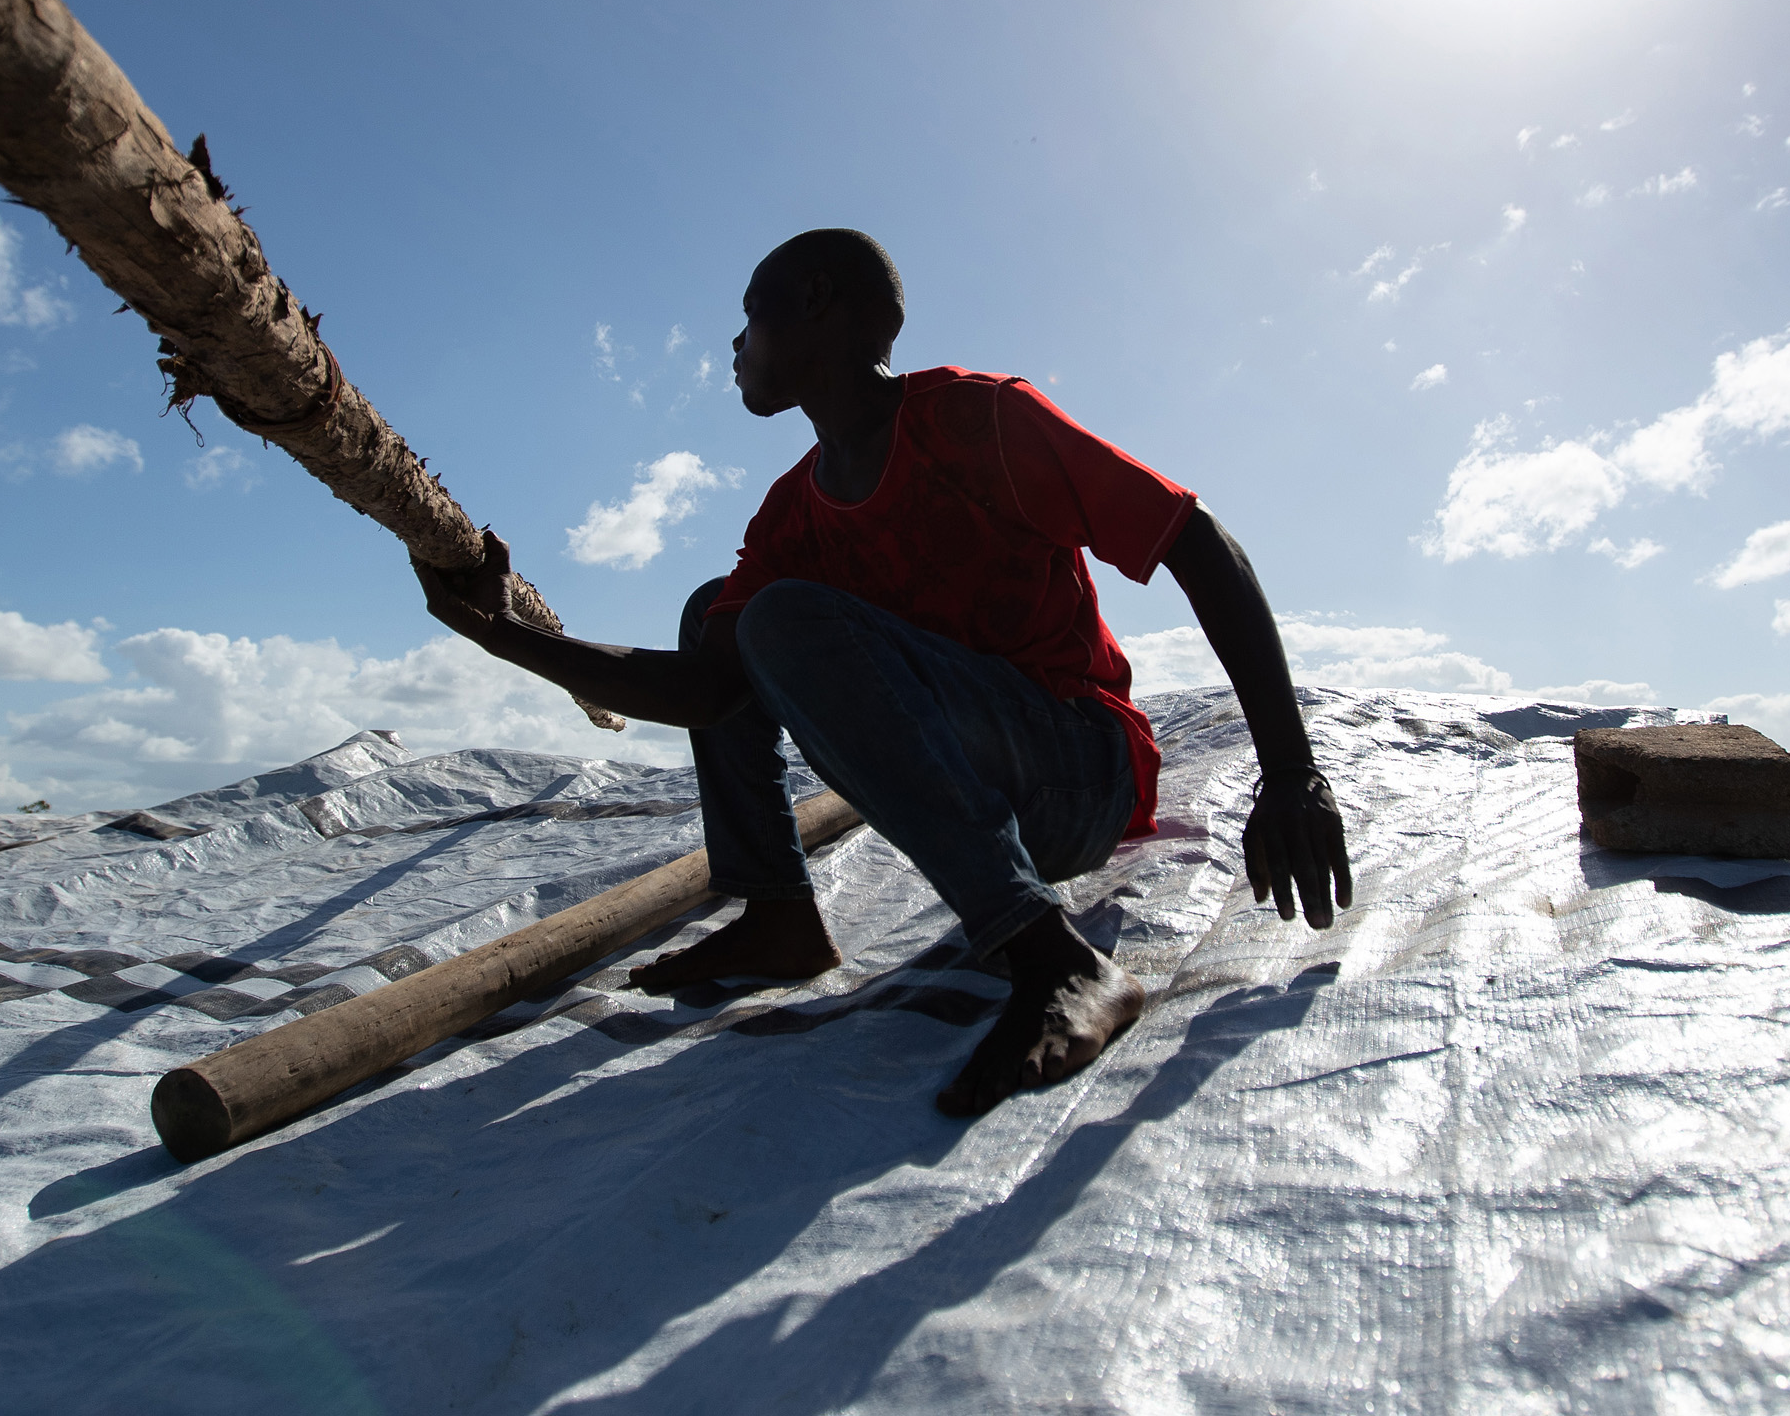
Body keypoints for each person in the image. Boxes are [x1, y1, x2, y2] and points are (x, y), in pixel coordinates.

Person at [414, 229, 1352, 1117]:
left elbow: (1193, 537)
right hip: (976, 771)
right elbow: (706, 690)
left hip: (1081, 770)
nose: (735, 343)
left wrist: (1292, 771)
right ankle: (779, 910)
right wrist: (507, 635)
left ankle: (1054, 957)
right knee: (719, 613)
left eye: (751, 315)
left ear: (816, 301)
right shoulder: (792, 513)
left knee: (772, 614)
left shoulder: (980, 418)